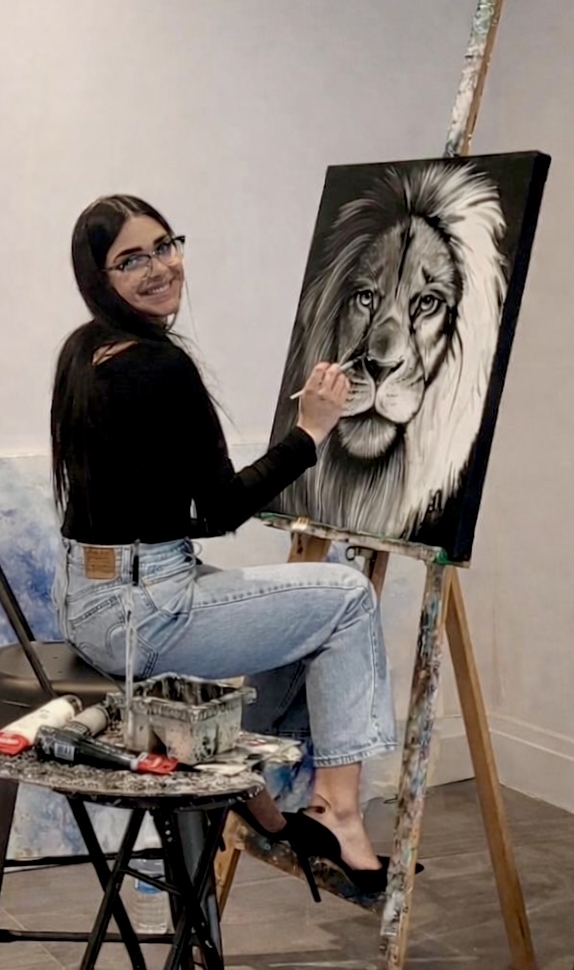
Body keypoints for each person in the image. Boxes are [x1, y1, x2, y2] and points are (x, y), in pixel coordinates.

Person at [50, 194, 400, 896]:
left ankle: (245, 789)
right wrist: (311, 430)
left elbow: (171, 517)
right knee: (347, 597)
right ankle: (336, 813)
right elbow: (219, 511)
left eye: (164, 246)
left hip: (88, 603)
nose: (158, 268)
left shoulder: (84, 351)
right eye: (131, 260)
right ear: (100, 277)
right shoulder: (158, 366)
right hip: (145, 614)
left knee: (302, 613)